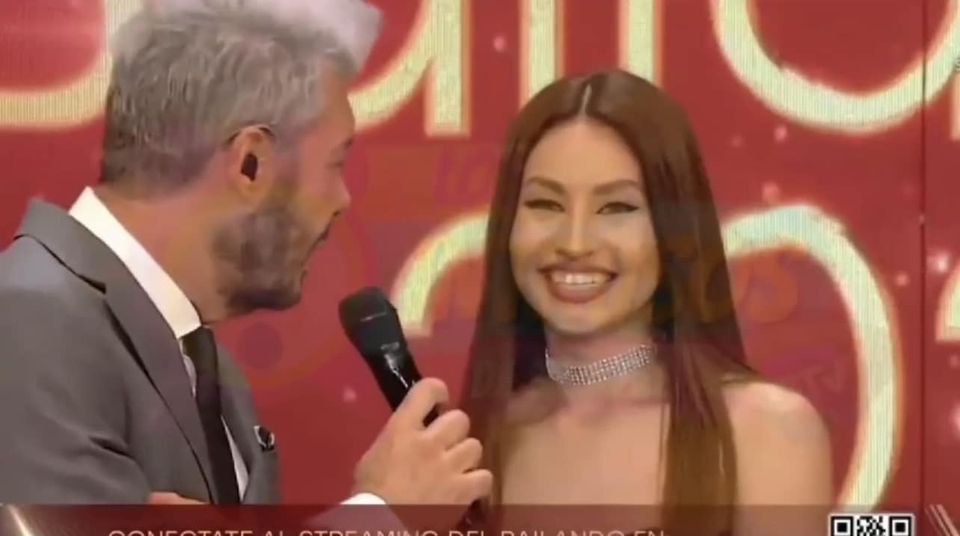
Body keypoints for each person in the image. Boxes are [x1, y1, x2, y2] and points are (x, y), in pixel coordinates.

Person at [0, 0, 491, 511]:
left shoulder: (209, 368)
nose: (342, 199)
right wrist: (384, 516)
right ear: (251, 163)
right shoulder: (30, 320)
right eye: (334, 163)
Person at [459, 70, 833, 535]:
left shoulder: (765, 433)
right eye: (545, 204)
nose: (574, 242)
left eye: (617, 208)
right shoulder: (476, 445)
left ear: (674, 231)